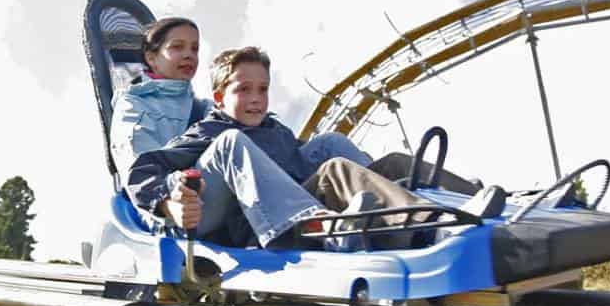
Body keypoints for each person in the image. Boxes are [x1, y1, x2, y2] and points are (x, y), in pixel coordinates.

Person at [126, 46, 445, 250]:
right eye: (244, 89)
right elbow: (142, 170)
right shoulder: (211, 130)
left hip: (302, 203)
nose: (256, 98)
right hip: (263, 227)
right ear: (221, 98)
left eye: (263, 89)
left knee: (336, 147)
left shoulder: (276, 132)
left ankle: (459, 204)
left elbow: (320, 172)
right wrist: (168, 200)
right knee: (237, 143)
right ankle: (428, 225)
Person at [108, 16, 208, 180]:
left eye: (194, 49)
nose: (189, 55)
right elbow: (137, 165)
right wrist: (168, 200)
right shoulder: (134, 104)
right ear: (151, 58)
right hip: (170, 194)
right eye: (177, 47)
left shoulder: (206, 108)